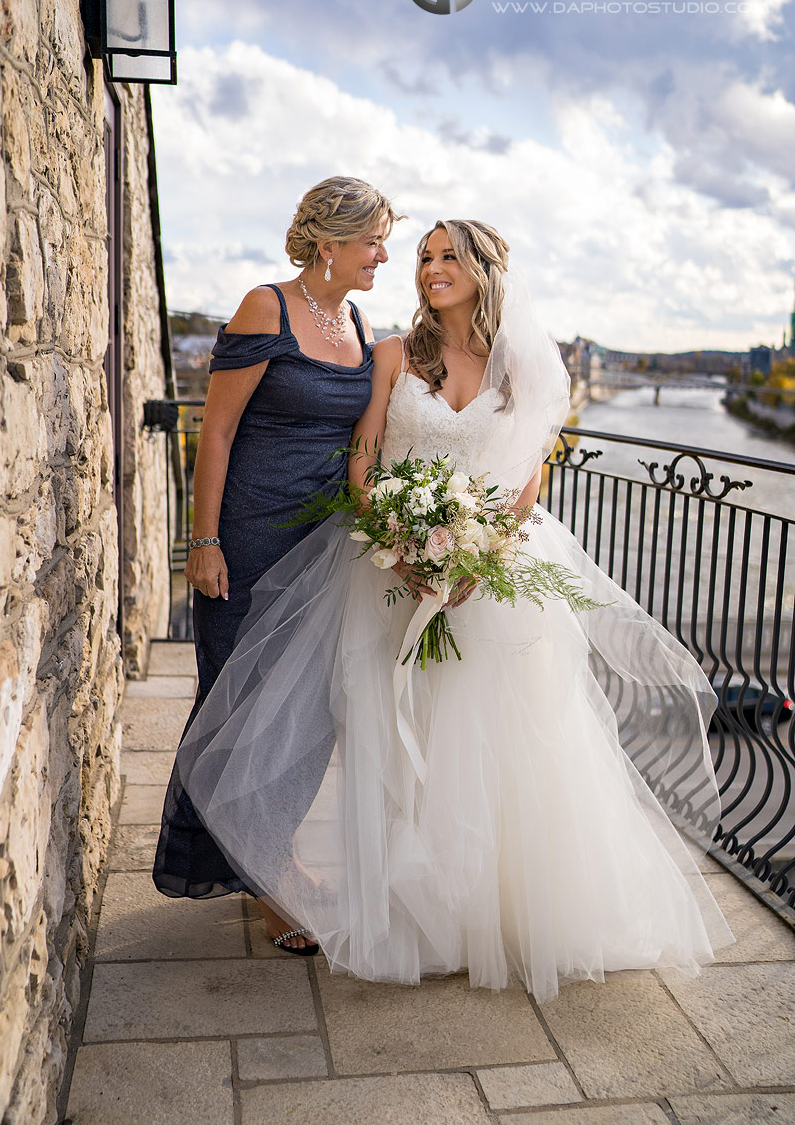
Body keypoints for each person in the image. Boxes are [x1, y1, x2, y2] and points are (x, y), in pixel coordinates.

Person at [173, 219, 734, 1000]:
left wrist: (482, 551)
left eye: (447, 257)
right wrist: (398, 544)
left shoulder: (526, 367)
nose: (430, 269)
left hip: (491, 577)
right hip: (386, 573)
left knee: (506, 742)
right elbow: (363, 455)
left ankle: (502, 915)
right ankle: (417, 909)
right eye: (423, 257)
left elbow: (529, 472)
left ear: (484, 267)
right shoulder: (394, 355)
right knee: (398, 745)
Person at [153, 176, 403, 953]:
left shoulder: (357, 318)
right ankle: (265, 881)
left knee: (306, 715)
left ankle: (273, 854)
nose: (383, 256)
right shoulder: (266, 306)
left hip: (326, 545)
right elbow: (217, 433)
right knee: (238, 705)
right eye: (373, 241)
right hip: (250, 539)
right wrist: (203, 543)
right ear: (329, 241)